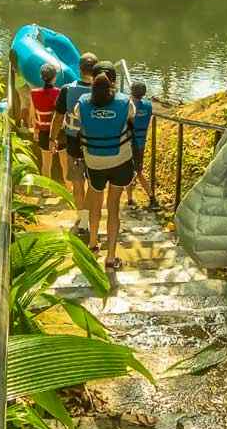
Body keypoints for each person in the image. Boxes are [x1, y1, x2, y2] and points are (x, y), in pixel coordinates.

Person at [77, 67, 138, 270]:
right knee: (113, 208)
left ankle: (93, 243)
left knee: (96, 203)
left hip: (94, 162)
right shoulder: (124, 102)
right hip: (120, 161)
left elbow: (78, 119)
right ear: (112, 84)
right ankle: (111, 257)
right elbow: (131, 120)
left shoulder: (82, 103)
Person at [54, 53, 97, 240]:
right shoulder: (102, 91)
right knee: (93, 184)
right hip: (96, 145)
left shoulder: (67, 89)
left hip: (73, 143)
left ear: (79, 68)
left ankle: (83, 220)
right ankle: (88, 219)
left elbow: (58, 117)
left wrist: (52, 137)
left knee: (77, 182)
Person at [28, 62, 63, 180]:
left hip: (43, 132)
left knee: (46, 163)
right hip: (58, 132)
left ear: (41, 77)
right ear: (55, 77)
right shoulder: (59, 92)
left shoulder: (34, 93)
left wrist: (35, 130)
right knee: (64, 163)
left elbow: (33, 115)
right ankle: (69, 191)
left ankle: (45, 190)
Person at [128, 78, 155, 204]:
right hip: (141, 141)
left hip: (130, 142)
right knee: (138, 171)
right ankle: (150, 195)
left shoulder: (128, 105)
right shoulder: (148, 105)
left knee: (128, 171)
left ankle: (129, 198)